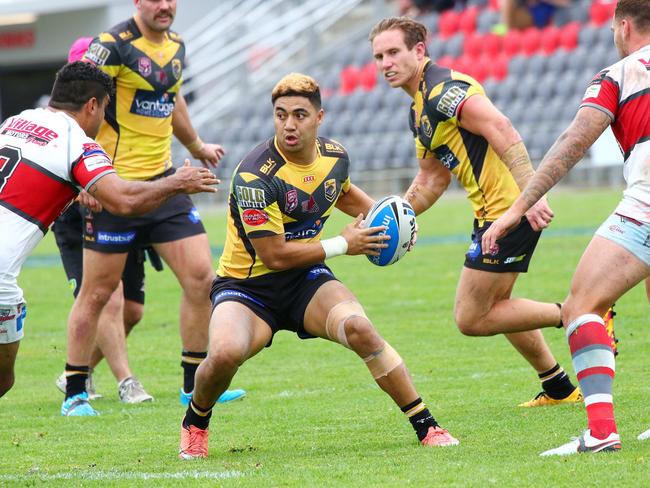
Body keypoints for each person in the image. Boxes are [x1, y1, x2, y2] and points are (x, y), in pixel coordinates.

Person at [177, 73, 459, 459]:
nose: (289, 125)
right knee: (225, 354)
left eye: (299, 115)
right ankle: (196, 421)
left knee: (360, 329)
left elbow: (348, 198)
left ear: (319, 117)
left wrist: (395, 223)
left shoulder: (335, 157)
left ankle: (427, 425)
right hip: (248, 288)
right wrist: (345, 243)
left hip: (305, 281)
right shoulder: (254, 176)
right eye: (280, 115)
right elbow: (273, 256)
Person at [368, 16, 613, 408]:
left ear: (419, 50)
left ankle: (579, 314)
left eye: (394, 52)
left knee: (472, 317)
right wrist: (387, 217)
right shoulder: (418, 111)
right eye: (379, 56)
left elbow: (502, 127)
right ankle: (558, 386)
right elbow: (431, 181)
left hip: (511, 211)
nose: (386, 63)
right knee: (499, 307)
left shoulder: (444, 91)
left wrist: (530, 197)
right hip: (490, 214)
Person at [482, 0, 650, 455]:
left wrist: (519, 206)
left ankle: (600, 433)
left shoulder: (619, 73)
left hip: (647, 204)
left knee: (581, 306)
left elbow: (574, 142)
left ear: (624, 25)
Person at [0, 61, 218, 402]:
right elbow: (124, 201)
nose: (104, 119)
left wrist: (78, 188)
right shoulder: (78, 144)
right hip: (0, 281)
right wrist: (176, 182)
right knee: (2, 379)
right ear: (92, 105)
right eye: (105, 108)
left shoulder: (17, 121)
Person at [69, 0, 244, 412]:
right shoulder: (110, 46)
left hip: (165, 183)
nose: (165, 5)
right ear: (136, 3)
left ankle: (193, 383)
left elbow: (173, 99)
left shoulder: (177, 45)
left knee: (203, 279)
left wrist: (196, 145)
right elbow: (78, 105)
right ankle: (75, 390)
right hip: (113, 188)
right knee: (98, 294)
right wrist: (83, 174)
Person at [52, 36, 154, 404]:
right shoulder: (67, 116)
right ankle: (127, 381)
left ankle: (76, 372)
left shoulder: (118, 104)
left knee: (133, 310)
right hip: (77, 215)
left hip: (118, 203)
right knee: (105, 296)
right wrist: (80, 183)